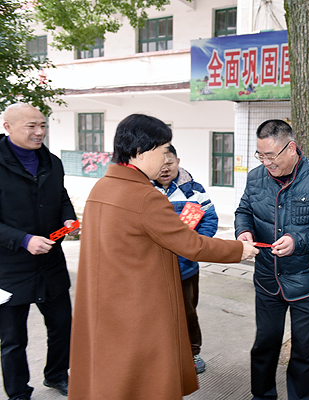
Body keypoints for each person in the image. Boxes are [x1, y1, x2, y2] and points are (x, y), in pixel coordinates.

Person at [68, 114, 258, 400]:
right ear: (141, 151)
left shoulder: (102, 187)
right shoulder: (145, 197)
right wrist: (239, 251)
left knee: (112, 375)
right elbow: (191, 245)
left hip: (107, 301)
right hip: (140, 306)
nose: (167, 158)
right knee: (147, 381)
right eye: (163, 149)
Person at [235, 119, 309, 400]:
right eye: (260, 155)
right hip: (267, 278)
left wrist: (298, 241)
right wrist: (243, 231)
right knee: (264, 345)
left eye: (271, 155)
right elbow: (244, 211)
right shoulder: (256, 177)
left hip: (308, 281)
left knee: (305, 351)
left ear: (292, 148)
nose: (266, 163)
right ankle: (262, 395)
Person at [0, 103, 78, 400]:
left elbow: (61, 197)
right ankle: (18, 393)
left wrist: (67, 219)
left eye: (43, 125)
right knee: (12, 339)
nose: (39, 132)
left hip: (50, 263)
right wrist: (23, 240)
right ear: (7, 127)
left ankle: (57, 374)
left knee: (62, 325)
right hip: (8, 268)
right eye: (31, 126)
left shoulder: (52, 162)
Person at [153, 144, 217, 374]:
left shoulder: (194, 190)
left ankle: (192, 352)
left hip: (186, 267)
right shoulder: (144, 190)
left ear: (177, 162)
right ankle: (161, 355)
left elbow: (210, 219)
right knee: (156, 313)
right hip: (153, 270)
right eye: (159, 164)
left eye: (169, 163)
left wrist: (195, 246)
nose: (164, 168)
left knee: (187, 311)